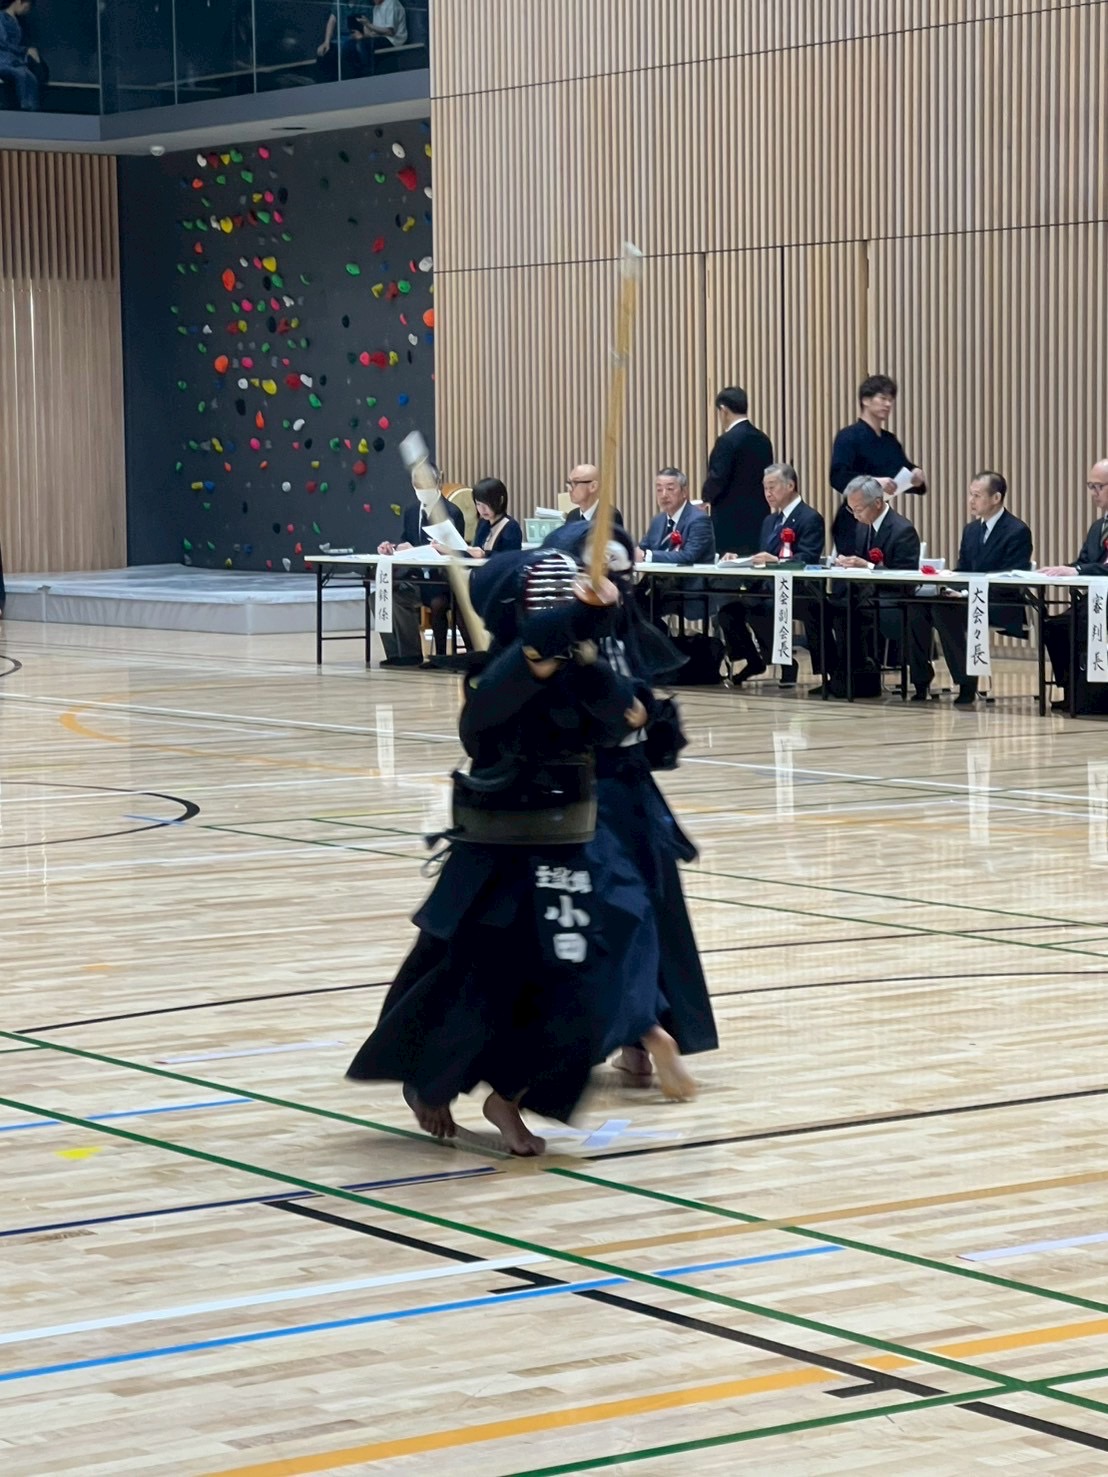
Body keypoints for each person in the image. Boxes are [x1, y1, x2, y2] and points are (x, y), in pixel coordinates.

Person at [347, 527, 717, 1152]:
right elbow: (523, 672)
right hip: (501, 854)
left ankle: (511, 1094)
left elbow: (626, 712)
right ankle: (432, 1082)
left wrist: (637, 705)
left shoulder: (583, 669)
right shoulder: (496, 674)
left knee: (588, 972)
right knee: (476, 980)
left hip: (571, 843)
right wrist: (584, 615)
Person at [808, 475, 931, 700]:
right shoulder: (862, 527)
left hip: (892, 598)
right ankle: (839, 676)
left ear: (877, 503)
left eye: (859, 509)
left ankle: (857, 678)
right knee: (822, 608)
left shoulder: (902, 530)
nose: (855, 515)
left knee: (849, 613)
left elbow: (906, 578)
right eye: (851, 510)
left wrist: (869, 566)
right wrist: (846, 564)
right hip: (864, 594)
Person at [926, 472, 1033, 707]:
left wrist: (967, 594)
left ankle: (967, 682)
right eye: (970, 495)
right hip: (970, 599)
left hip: (1001, 602)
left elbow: (1010, 579)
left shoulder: (1017, 531)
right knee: (926, 606)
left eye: (977, 496)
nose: (971, 501)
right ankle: (920, 679)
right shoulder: (971, 530)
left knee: (945, 611)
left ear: (996, 498)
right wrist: (948, 584)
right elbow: (964, 570)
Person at [716, 463, 825, 686]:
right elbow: (764, 556)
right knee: (728, 611)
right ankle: (754, 660)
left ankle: (785, 663)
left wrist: (777, 561)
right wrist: (740, 559)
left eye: (772, 487)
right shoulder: (770, 521)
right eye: (765, 488)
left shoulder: (809, 517)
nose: (768, 493)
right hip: (767, 587)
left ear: (790, 486)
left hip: (799, 590)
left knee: (760, 607)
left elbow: (808, 558)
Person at [376, 469, 466, 667]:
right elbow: (406, 540)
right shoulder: (411, 510)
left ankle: (440, 657)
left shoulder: (451, 512)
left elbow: (458, 551)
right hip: (416, 577)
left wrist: (432, 549)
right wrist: (394, 548)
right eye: (418, 487)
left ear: (437, 483)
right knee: (383, 596)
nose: (422, 491)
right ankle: (404, 653)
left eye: (426, 486)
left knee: (438, 603)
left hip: (442, 581)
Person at [829, 375, 926, 551]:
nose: (888, 404)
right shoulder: (848, 436)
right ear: (866, 400)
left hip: (881, 517)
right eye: (882, 398)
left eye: (890, 400)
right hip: (853, 517)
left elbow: (902, 470)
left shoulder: (889, 441)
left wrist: (916, 475)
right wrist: (873, 482)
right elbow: (838, 476)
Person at [1041, 460, 1108, 704]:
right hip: (1094, 601)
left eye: (1099, 486)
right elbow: (1084, 562)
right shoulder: (1098, 527)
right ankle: (1071, 690)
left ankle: (1090, 695)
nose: (1094, 493)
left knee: (1078, 625)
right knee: (1054, 626)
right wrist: (1059, 570)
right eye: (1090, 486)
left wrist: (1077, 570)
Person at [701, 387, 775, 557]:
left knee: (729, 565)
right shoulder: (763, 440)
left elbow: (717, 478)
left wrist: (706, 498)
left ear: (723, 410)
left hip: (729, 521)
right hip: (759, 517)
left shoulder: (726, 441)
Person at [317, 1, 406, 79]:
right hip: (376, 37)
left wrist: (366, 31)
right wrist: (326, 42)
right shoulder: (376, 7)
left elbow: (389, 32)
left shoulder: (391, 3)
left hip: (392, 40)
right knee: (329, 51)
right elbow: (374, 32)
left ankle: (367, 77)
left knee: (360, 45)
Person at [460, 477, 523, 561]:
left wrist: (484, 554)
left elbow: (511, 557)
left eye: (487, 504)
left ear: (501, 501)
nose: (482, 509)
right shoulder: (483, 523)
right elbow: (476, 549)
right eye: (478, 504)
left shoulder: (511, 526)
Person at [0, 0, 39, 110]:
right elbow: (2, 42)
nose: (27, 10)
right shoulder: (1, 18)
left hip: (13, 60)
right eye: (27, 6)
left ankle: (33, 109)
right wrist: (25, 50)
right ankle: (25, 107)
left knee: (31, 77)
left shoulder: (16, 21)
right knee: (21, 74)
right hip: (3, 60)